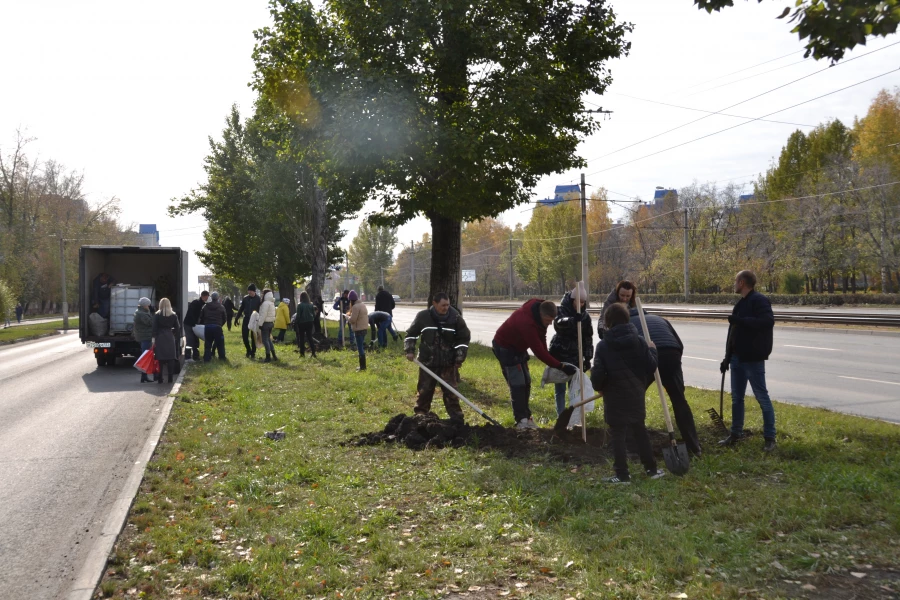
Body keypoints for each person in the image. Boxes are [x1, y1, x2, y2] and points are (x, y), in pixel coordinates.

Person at [592, 303, 664, 484]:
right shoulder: (639, 341)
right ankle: (651, 469)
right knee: (640, 431)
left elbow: (598, 374)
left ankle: (622, 475)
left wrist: (599, 386)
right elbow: (651, 366)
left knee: (618, 435)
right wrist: (653, 350)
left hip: (614, 396)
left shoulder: (603, 345)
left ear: (608, 322)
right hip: (636, 394)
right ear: (627, 319)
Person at [492, 299, 577, 430]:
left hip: (519, 347)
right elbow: (538, 351)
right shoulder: (527, 324)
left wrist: (550, 357)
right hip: (505, 348)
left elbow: (542, 338)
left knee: (527, 381)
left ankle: (527, 417)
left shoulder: (540, 308)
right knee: (518, 383)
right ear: (541, 315)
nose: (549, 324)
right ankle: (521, 421)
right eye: (548, 321)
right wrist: (561, 366)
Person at [628, 305, 701, 457]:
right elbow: (679, 344)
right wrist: (673, 371)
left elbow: (630, 351)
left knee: (635, 400)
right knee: (679, 400)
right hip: (672, 353)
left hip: (649, 354)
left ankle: (635, 447)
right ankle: (694, 446)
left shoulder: (629, 323)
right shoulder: (660, 319)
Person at [719, 270, 776, 452]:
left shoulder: (759, 300)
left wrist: (741, 321)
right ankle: (735, 434)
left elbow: (767, 321)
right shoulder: (741, 303)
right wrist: (727, 358)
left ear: (742, 282)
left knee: (762, 397)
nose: (734, 284)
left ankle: (770, 438)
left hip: (753, 358)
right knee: (737, 398)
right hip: (737, 358)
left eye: (735, 281)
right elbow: (733, 334)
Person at [404, 292, 470, 422]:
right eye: (443, 305)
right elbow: (411, 335)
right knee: (425, 391)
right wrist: (409, 350)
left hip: (447, 363)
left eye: (448, 305)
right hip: (427, 362)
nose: (446, 308)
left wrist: (459, 358)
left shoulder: (455, 317)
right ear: (434, 304)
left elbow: (463, 339)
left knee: (451, 392)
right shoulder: (423, 317)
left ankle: (457, 418)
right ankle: (420, 416)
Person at [549, 282, 593, 416]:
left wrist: (587, 357)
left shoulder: (585, 316)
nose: (580, 305)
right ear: (572, 300)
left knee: (574, 388)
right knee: (560, 387)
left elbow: (588, 338)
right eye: (578, 301)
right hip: (560, 352)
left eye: (583, 302)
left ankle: (573, 416)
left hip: (576, 354)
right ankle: (561, 415)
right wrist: (572, 321)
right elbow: (558, 323)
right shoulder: (561, 310)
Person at [152, 297, 183, 384]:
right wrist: (176, 337)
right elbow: (178, 328)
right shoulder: (173, 315)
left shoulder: (157, 315)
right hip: (170, 337)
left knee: (160, 358)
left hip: (160, 337)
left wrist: (153, 338)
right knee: (171, 359)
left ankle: (160, 378)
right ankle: (170, 378)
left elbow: (154, 328)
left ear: (160, 305)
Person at [199, 291, 227, 362]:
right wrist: (220, 324)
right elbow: (224, 318)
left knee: (208, 344)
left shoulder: (205, 306)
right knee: (220, 344)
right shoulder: (221, 307)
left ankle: (207, 358)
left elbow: (201, 317)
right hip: (217, 327)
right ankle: (222, 358)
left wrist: (204, 324)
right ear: (218, 298)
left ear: (211, 298)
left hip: (208, 327)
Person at [235, 284, 262, 358]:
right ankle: (248, 350)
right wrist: (237, 318)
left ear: (254, 291)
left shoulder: (258, 299)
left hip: (254, 320)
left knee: (254, 337)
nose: (249, 292)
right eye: (248, 290)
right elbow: (241, 309)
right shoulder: (245, 298)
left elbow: (261, 310)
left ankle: (253, 352)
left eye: (250, 290)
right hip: (246, 319)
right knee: (244, 337)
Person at [133, 297, 155, 383]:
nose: (149, 306)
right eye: (148, 304)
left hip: (143, 336)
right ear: (145, 305)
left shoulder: (140, 312)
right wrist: (153, 314)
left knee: (145, 355)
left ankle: (144, 376)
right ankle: (144, 376)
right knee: (145, 357)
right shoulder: (142, 314)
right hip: (145, 336)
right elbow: (150, 323)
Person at [346, 290, 368, 370]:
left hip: (358, 329)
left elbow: (353, 320)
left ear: (351, 300)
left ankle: (362, 366)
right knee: (361, 346)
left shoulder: (355, 307)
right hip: (364, 328)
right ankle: (363, 366)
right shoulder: (362, 305)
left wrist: (347, 318)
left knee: (360, 348)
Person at [183, 290, 209, 361]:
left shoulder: (202, 304)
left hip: (195, 325)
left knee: (196, 341)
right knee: (190, 340)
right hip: (189, 324)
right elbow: (191, 314)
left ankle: (196, 356)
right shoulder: (196, 303)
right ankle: (187, 357)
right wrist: (195, 323)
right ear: (203, 296)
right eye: (206, 297)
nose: (207, 299)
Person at [293, 291, 317, 357]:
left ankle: (302, 353)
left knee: (301, 338)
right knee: (310, 337)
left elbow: (298, 315)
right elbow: (314, 314)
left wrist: (296, 322)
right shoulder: (311, 304)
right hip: (310, 322)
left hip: (302, 322)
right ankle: (313, 352)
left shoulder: (300, 305)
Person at [257, 290, 278, 362]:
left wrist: (260, 324)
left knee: (265, 340)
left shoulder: (265, 303)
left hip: (265, 323)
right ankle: (274, 355)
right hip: (271, 323)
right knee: (268, 339)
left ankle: (268, 356)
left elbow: (263, 315)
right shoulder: (272, 303)